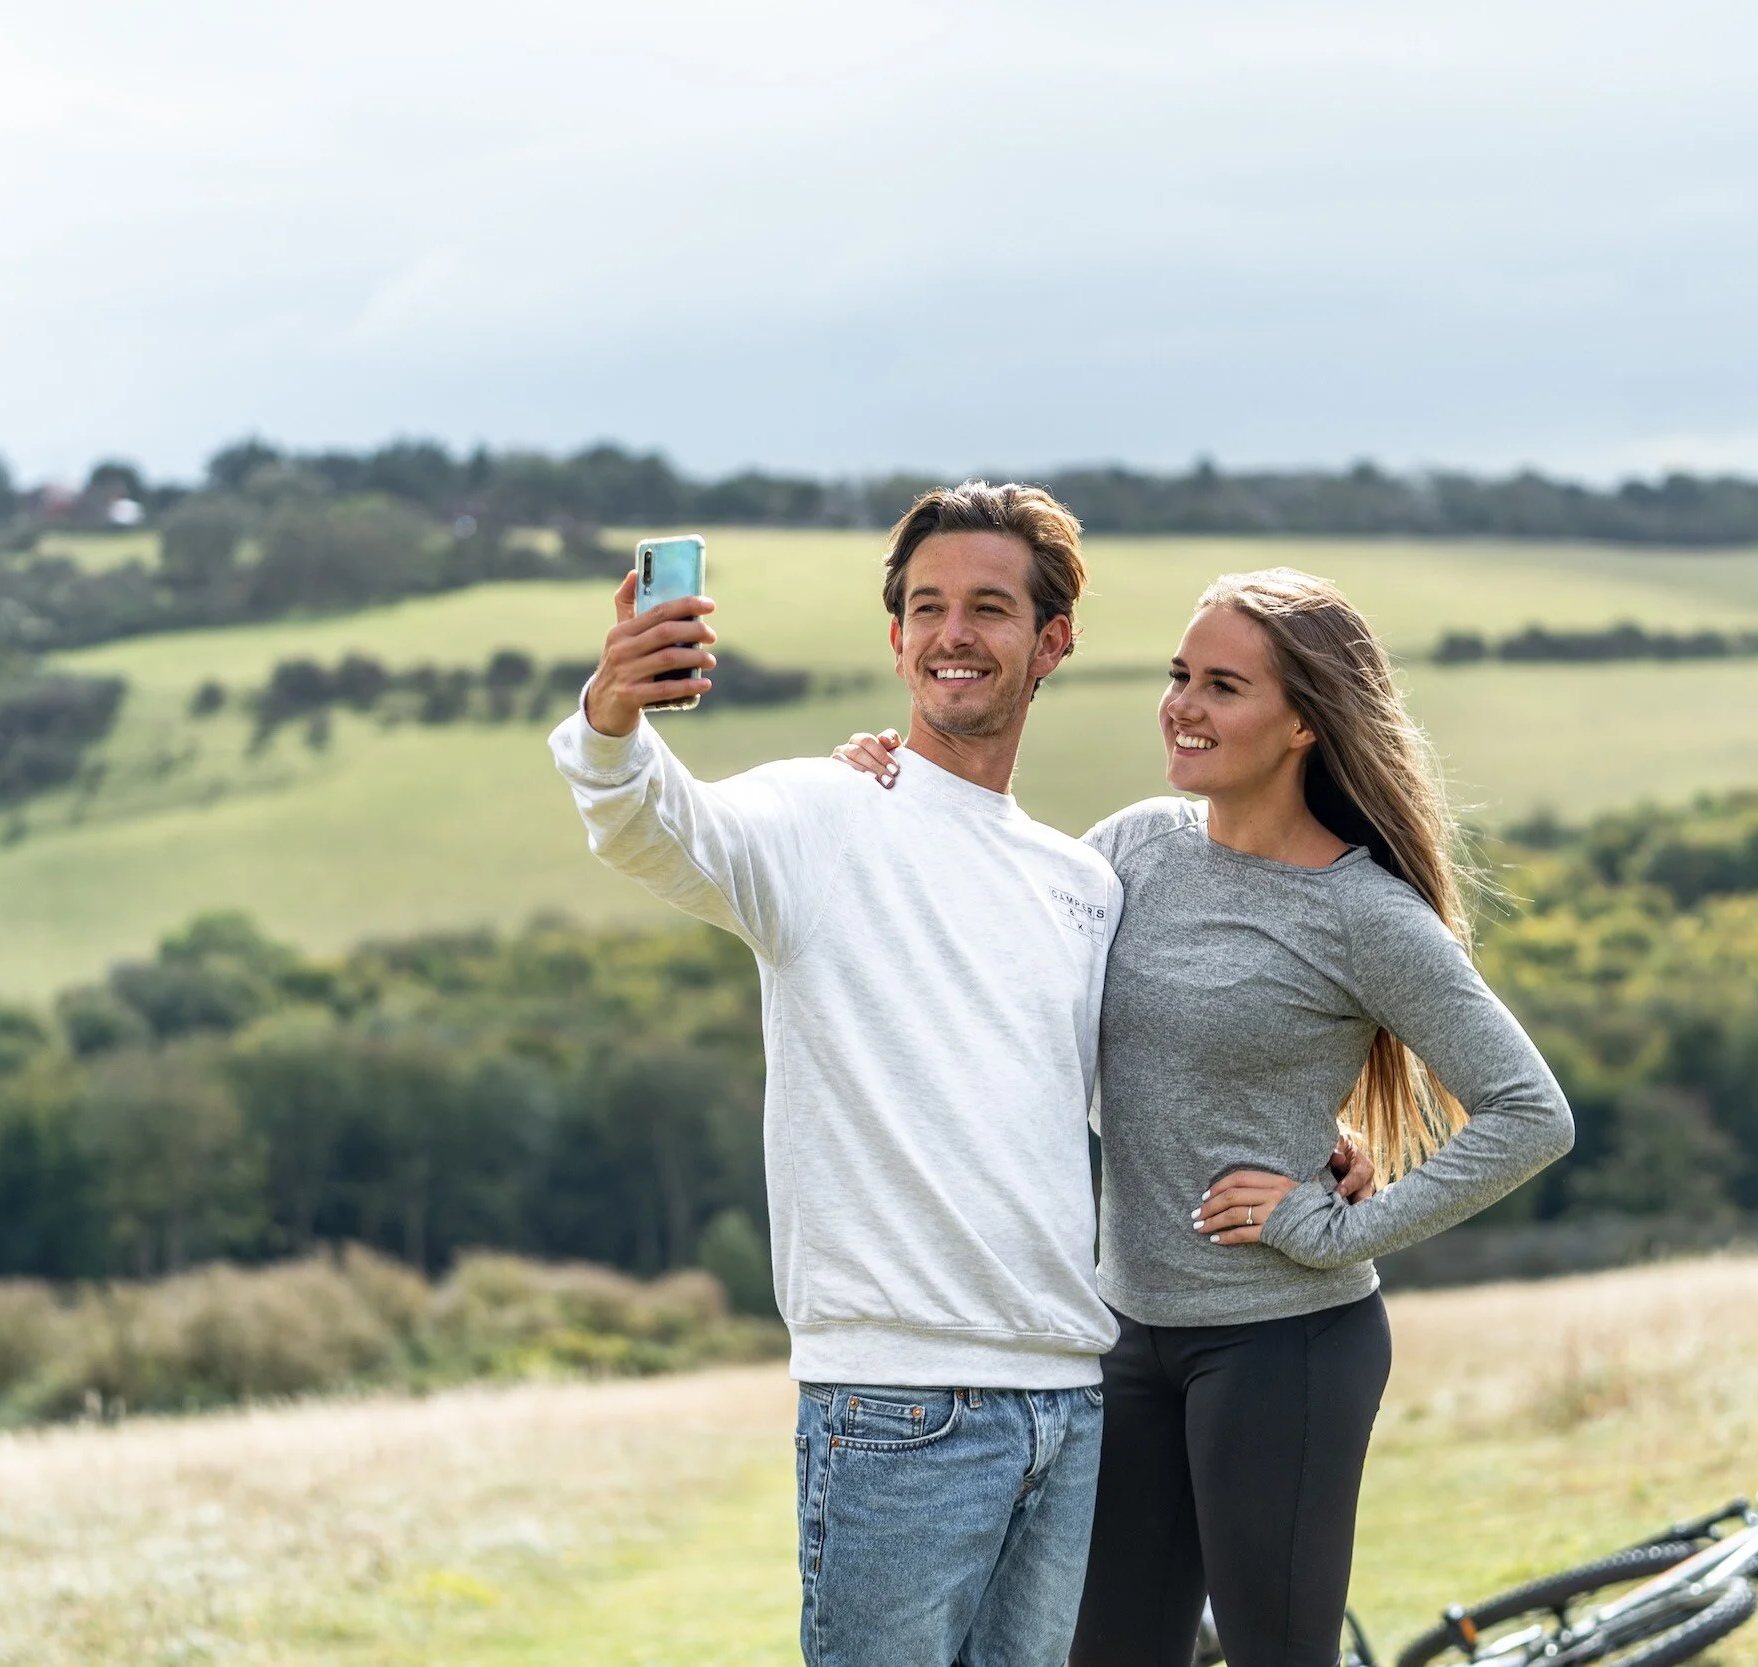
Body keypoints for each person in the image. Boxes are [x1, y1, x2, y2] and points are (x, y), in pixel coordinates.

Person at [830, 568, 1575, 1667]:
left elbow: (1531, 1112)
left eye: (1223, 685)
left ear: (1303, 724)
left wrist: (1331, 1228)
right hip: (1126, 1331)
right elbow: (1008, 980)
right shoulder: (1135, 846)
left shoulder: (1363, 913)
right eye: (1181, 674)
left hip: (1285, 1344)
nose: (1181, 703)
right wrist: (891, 797)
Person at [551, 482, 1127, 1667]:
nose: (951, 633)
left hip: (1066, 1399)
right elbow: (655, 826)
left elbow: (1122, 1105)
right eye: (926, 606)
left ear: (1052, 640)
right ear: (895, 636)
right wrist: (613, 714)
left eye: (987, 606)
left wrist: (1311, 1137)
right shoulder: (823, 810)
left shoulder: (1082, 884)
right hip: (896, 1403)